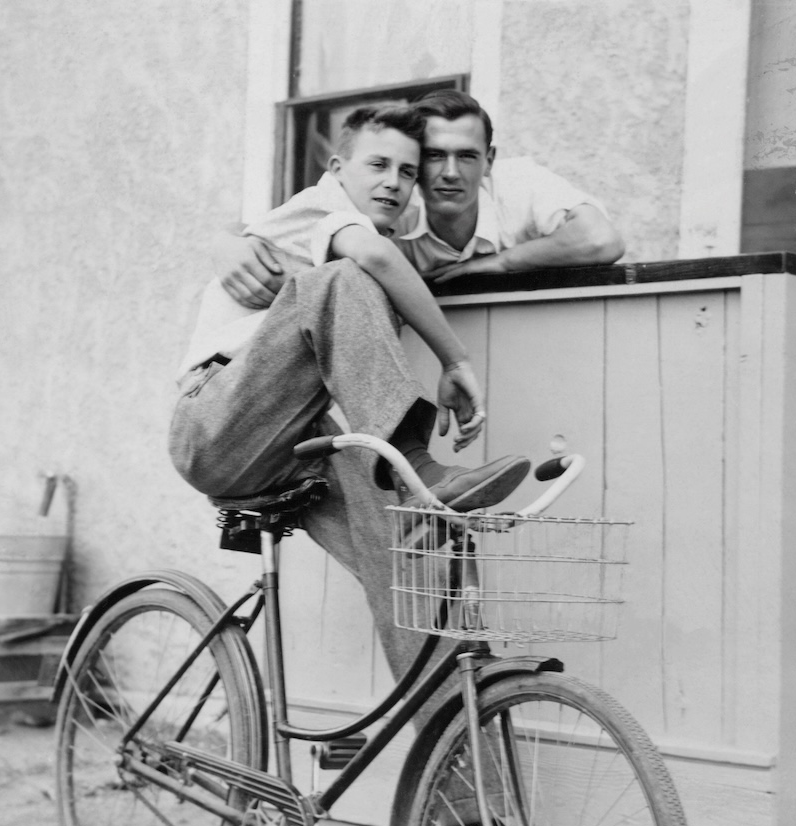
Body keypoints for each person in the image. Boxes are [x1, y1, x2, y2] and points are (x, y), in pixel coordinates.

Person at [169, 105, 529, 674]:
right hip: (214, 423)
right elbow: (375, 258)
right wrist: (454, 359)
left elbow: (587, 238)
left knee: (414, 551)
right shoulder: (323, 210)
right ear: (338, 168)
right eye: (378, 164)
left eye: (408, 172)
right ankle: (414, 462)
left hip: (293, 443)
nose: (394, 181)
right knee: (343, 278)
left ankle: (454, 735)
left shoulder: (384, 238)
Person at [215, 90, 624, 308]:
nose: (449, 172)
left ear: (489, 161)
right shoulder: (391, 205)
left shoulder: (517, 183)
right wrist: (226, 244)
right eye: (433, 156)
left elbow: (600, 240)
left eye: (466, 156)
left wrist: (496, 263)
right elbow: (287, 227)